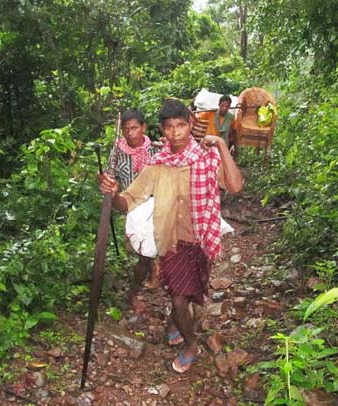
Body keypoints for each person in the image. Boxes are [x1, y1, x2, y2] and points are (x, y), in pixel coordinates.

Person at [99, 99, 244, 373]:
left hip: (201, 239)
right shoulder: (157, 165)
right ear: (162, 131)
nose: (175, 132)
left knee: (188, 294)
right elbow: (128, 201)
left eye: (180, 125)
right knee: (178, 298)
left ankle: (172, 323)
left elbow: (235, 186)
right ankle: (191, 345)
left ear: (190, 125)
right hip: (171, 242)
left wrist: (223, 145)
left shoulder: (206, 158)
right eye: (168, 127)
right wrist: (112, 192)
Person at [107, 109, 163, 313]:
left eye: (134, 128)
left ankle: (149, 276)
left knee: (151, 252)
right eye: (126, 129)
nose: (130, 133)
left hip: (156, 205)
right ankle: (133, 293)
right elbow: (109, 178)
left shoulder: (157, 150)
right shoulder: (117, 152)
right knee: (143, 255)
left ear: (144, 127)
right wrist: (108, 184)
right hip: (132, 208)